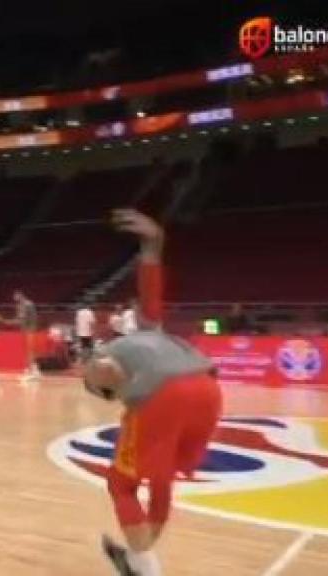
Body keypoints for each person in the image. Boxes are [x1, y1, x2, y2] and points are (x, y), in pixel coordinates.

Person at [82, 209, 222, 576]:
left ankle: (145, 569)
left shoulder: (108, 354)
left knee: (121, 484)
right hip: (208, 389)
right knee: (162, 483)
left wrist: (103, 374)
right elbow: (151, 284)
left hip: (166, 396)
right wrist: (153, 243)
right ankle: (135, 561)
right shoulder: (150, 327)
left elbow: (101, 373)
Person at [12, 290, 41, 380]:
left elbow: (30, 318)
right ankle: (31, 369)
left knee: (30, 350)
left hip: (30, 330)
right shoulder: (19, 306)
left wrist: (32, 330)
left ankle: (33, 371)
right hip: (24, 330)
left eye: (15, 296)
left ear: (20, 295)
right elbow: (19, 319)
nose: (14, 298)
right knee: (27, 351)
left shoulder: (28, 304)